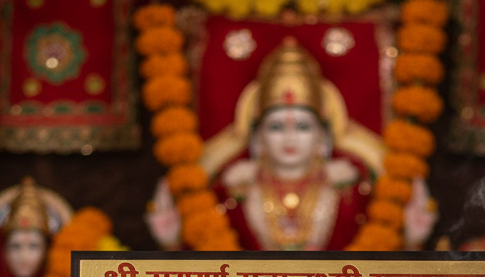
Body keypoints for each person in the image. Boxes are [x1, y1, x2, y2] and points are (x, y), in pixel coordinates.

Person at [147, 38, 435, 253]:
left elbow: (383, 273)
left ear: (323, 136)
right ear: (256, 136)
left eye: (302, 126)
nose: (289, 137)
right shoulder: (229, 192)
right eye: (275, 127)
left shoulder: (353, 190)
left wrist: (413, 239)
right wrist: (171, 242)